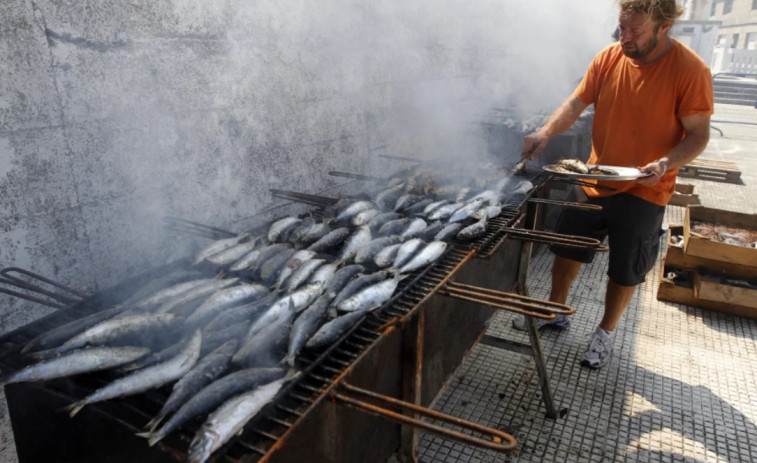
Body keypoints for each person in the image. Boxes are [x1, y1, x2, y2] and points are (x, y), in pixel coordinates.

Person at [514, 0, 714, 369]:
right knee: (566, 248)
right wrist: (545, 132)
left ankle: (604, 334)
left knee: (626, 269)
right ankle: (556, 311)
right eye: (622, 28)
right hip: (596, 177)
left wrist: (666, 162)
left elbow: (698, 135)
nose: (625, 37)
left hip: (646, 187)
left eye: (635, 30)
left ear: (663, 25)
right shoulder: (608, 58)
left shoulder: (690, 70)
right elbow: (576, 102)